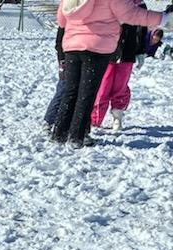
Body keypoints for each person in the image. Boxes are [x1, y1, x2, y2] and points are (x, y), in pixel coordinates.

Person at [52, 0, 167, 148]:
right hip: (97, 47)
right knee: (87, 94)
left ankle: (59, 134)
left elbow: (62, 20)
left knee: (71, 90)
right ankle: (76, 137)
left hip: (72, 46)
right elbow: (131, 14)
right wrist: (163, 18)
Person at [90, 20, 148, 132]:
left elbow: (142, 28)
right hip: (107, 51)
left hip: (127, 52)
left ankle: (118, 117)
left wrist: (141, 50)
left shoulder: (137, 4)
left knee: (120, 87)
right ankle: (95, 120)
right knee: (103, 88)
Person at [43, 26, 67, 133]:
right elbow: (59, 43)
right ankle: (49, 120)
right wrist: (62, 59)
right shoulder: (66, 20)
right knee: (62, 90)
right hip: (67, 59)